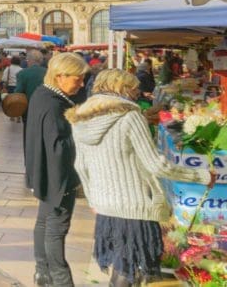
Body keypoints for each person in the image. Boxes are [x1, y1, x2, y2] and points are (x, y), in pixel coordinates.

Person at [67, 69, 212, 286]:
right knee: (131, 267)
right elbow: (155, 164)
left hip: (105, 205)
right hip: (134, 206)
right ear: (122, 88)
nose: (137, 93)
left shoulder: (81, 118)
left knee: (121, 264)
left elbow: (81, 164)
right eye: (135, 89)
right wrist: (200, 175)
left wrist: (92, 199)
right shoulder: (130, 116)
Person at [24, 52, 88, 287]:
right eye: (78, 78)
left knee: (44, 222)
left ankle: (43, 273)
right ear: (60, 76)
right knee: (56, 228)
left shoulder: (43, 95)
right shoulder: (53, 103)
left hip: (44, 172)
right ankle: (61, 280)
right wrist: (80, 132)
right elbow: (57, 145)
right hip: (57, 177)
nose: (81, 83)